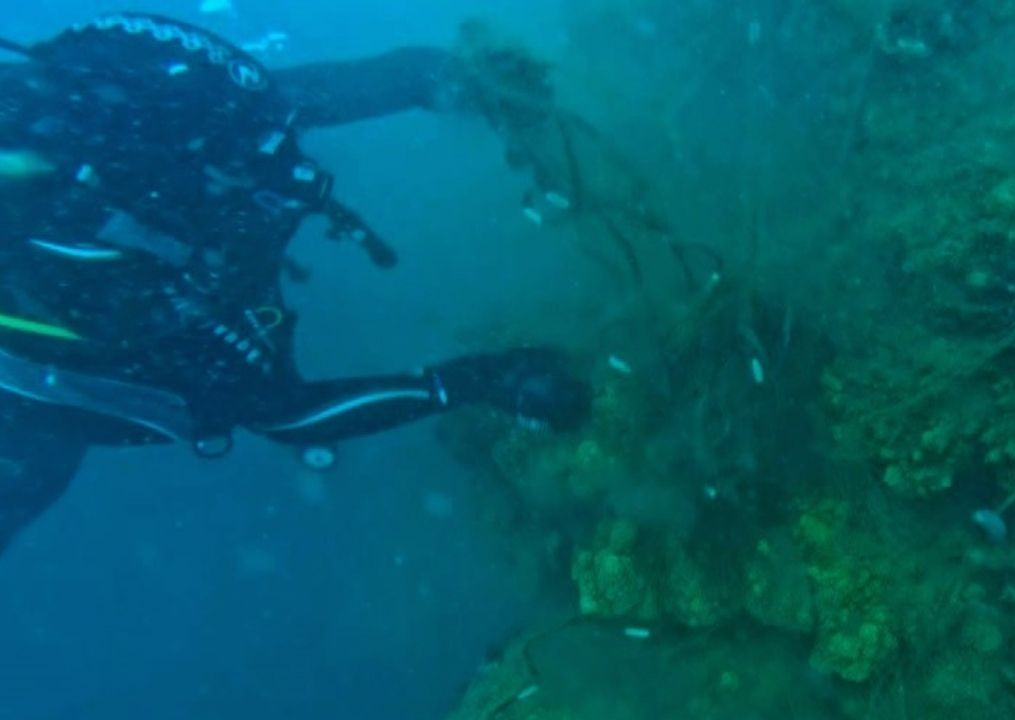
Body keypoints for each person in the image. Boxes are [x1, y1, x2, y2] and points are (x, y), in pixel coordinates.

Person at [0, 13, 591, 554]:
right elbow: (283, 413)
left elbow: (320, 93)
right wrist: (476, 382)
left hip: (136, 246)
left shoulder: (172, 118)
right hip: (50, 375)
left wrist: (458, 79)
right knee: (42, 458)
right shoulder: (131, 286)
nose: (282, 162)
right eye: (252, 164)